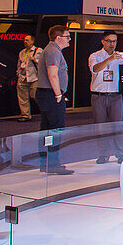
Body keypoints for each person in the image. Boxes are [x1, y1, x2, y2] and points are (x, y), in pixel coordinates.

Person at [34, 24, 73, 174]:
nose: (69, 39)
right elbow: (53, 74)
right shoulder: (52, 51)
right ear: (58, 38)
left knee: (48, 129)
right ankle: (52, 164)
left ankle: (47, 163)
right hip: (50, 95)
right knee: (55, 129)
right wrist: (58, 95)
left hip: (48, 94)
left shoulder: (52, 50)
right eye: (67, 37)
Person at [88, 31, 123, 163]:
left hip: (116, 96)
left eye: (114, 41)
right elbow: (95, 69)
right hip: (99, 96)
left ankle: (120, 153)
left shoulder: (120, 59)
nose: (112, 44)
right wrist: (110, 59)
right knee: (100, 127)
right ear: (103, 41)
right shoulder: (95, 56)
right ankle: (103, 153)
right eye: (109, 41)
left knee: (118, 126)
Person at [15, 34, 42, 122]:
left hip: (34, 77)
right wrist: (18, 73)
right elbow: (19, 64)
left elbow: (43, 63)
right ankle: (25, 115)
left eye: (27, 40)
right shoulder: (22, 52)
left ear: (32, 41)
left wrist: (35, 60)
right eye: (24, 40)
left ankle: (46, 111)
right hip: (23, 77)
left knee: (35, 95)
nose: (25, 42)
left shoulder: (38, 51)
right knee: (23, 97)